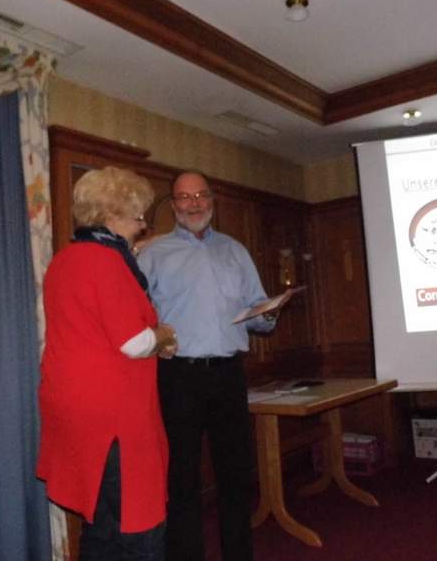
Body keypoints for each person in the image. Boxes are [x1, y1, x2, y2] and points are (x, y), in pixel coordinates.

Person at [37, 166, 178, 561]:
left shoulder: (64, 260)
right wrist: (163, 334)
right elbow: (133, 343)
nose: (142, 225)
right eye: (138, 216)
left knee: (101, 524)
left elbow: (93, 333)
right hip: (113, 415)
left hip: (73, 412)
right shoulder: (106, 261)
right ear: (113, 215)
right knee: (140, 526)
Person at [137, 170, 277, 561]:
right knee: (182, 477)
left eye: (201, 195)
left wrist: (268, 315)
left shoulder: (236, 251)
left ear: (212, 200)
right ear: (173, 205)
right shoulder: (153, 255)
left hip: (229, 374)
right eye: (185, 197)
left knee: (236, 474)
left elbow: (257, 310)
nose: (194, 204)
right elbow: (135, 314)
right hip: (177, 376)